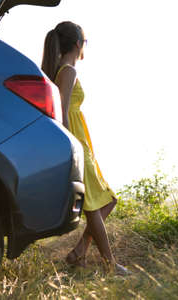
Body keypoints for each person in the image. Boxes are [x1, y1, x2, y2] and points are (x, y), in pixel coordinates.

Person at [41, 21, 129, 274]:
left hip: (81, 142)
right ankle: (110, 264)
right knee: (94, 206)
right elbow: (64, 109)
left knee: (107, 200)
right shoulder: (68, 71)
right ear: (78, 44)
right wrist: (70, 146)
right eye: (85, 42)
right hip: (75, 141)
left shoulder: (62, 69)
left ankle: (79, 253)